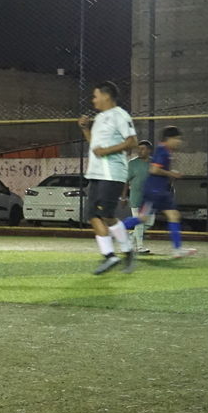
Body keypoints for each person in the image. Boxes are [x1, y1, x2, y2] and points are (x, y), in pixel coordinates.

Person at [79, 81, 139, 274]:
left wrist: (107, 151)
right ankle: (110, 256)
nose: (93, 100)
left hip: (112, 173)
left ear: (106, 96)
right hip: (96, 173)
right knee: (92, 216)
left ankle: (128, 251)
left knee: (106, 215)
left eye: (95, 96)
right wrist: (85, 129)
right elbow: (95, 147)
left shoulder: (120, 115)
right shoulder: (99, 118)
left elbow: (132, 141)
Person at [122, 126, 197, 259]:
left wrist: (169, 175)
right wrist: (171, 174)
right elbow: (154, 169)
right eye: (177, 139)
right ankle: (117, 228)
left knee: (173, 215)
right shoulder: (162, 151)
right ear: (169, 139)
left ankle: (177, 249)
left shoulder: (166, 151)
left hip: (159, 191)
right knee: (144, 218)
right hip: (153, 191)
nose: (178, 142)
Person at [123, 140, 153, 254]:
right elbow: (126, 180)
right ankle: (139, 246)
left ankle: (131, 235)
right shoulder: (132, 163)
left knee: (149, 222)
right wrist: (123, 196)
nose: (139, 151)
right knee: (139, 221)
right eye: (138, 149)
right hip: (136, 197)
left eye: (142, 149)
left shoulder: (153, 163)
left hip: (149, 199)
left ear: (149, 150)